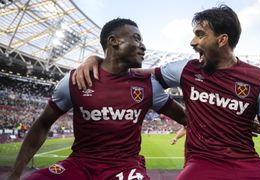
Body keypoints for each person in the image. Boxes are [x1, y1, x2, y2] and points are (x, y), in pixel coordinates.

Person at [72, 5, 260, 180]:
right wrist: (98, 59)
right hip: (201, 164)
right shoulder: (186, 70)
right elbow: (130, 72)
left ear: (222, 40)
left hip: (248, 164)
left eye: (200, 34)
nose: (193, 41)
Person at [7, 18, 187, 180]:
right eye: (136, 38)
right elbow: (43, 123)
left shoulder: (148, 85)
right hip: (80, 164)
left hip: (125, 168)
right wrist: (15, 174)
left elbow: (187, 119)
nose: (143, 45)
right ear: (113, 41)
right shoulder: (75, 80)